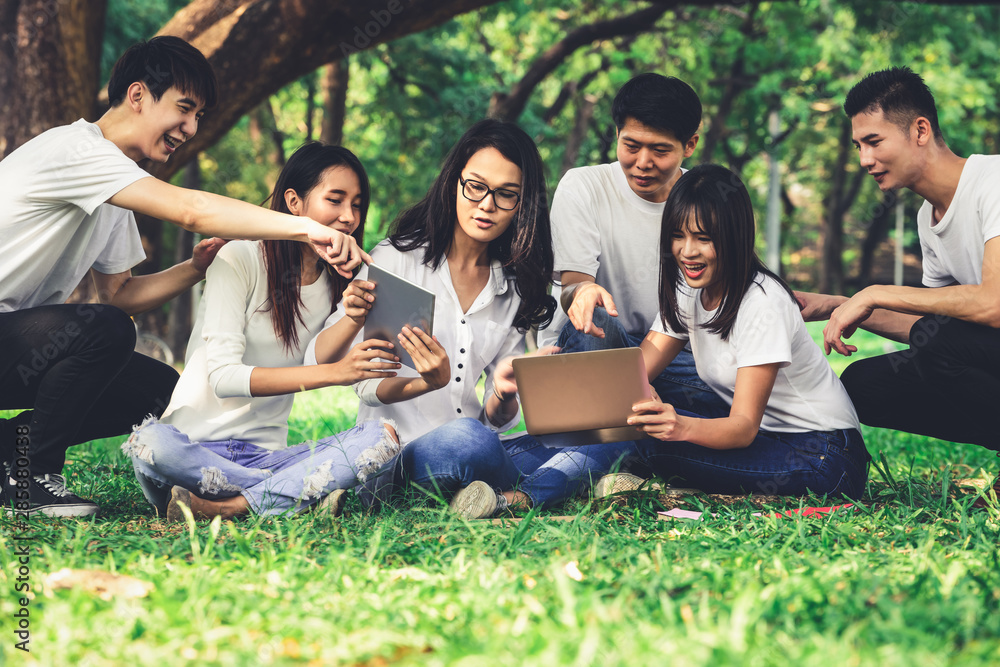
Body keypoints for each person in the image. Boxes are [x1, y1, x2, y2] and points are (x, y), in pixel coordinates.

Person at [0, 37, 368, 517]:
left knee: (155, 388)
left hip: (15, 348)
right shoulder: (77, 151)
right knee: (106, 331)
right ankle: (30, 478)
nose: (191, 128)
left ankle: (11, 452)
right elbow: (193, 210)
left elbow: (121, 296)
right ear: (137, 95)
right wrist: (305, 228)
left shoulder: (115, 187)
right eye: (184, 108)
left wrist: (194, 269)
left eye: (198, 117)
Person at [307, 119, 636, 519]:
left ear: (522, 203)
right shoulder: (397, 260)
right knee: (470, 441)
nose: (486, 205)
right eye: (475, 186)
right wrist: (426, 381)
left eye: (505, 195)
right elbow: (368, 387)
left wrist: (503, 389)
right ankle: (540, 487)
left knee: (612, 437)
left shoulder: (512, 286)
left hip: (483, 448)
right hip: (407, 452)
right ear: (454, 182)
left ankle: (508, 498)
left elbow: (497, 417)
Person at [122, 142, 403, 521]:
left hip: (268, 455)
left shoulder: (339, 280)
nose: (349, 216)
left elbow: (316, 358)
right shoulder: (239, 257)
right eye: (335, 200)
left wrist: (352, 317)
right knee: (150, 442)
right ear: (294, 202)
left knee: (380, 437)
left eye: (356, 205)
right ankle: (292, 491)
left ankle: (231, 506)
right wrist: (337, 374)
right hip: (192, 448)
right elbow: (223, 377)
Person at [623, 164, 868, 497]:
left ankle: (614, 477)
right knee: (633, 417)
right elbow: (636, 371)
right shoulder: (689, 288)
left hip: (824, 456)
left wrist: (678, 426)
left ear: (733, 237)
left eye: (703, 238)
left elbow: (742, 429)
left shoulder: (763, 303)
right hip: (770, 439)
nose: (687, 251)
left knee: (650, 444)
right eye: (678, 236)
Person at [798, 67, 1000, 455]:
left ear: (920, 131)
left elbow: (992, 304)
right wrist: (839, 305)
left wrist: (876, 292)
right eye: (859, 146)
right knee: (863, 384)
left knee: (938, 345)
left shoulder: (991, 182)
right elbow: (929, 327)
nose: (864, 159)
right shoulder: (929, 218)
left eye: (873, 141)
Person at [539, 74, 728, 470]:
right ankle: (622, 442)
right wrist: (582, 292)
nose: (643, 163)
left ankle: (605, 446)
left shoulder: (705, 199)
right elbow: (574, 284)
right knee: (597, 320)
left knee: (734, 388)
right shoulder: (584, 186)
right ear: (617, 135)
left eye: (660, 150)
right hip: (601, 348)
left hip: (674, 359)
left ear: (690, 144)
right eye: (631, 145)